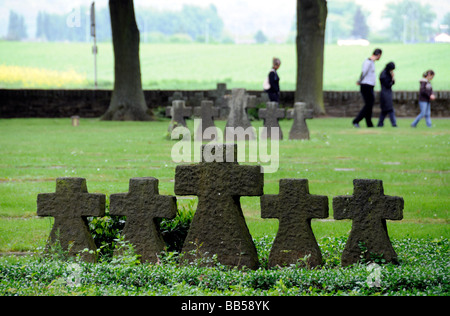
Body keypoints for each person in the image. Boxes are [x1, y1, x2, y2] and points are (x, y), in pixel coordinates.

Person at [352, 48, 382, 128]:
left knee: (370, 105)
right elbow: (364, 72)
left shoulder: (371, 62)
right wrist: (360, 80)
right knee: (368, 105)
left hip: (370, 86)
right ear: (378, 55)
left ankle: (369, 123)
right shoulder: (368, 62)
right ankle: (356, 120)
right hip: (366, 85)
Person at [377, 62, 397, 127]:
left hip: (386, 93)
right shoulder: (384, 75)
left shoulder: (385, 73)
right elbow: (388, 84)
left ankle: (380, 123)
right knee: (390, 109)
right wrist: (392, 78)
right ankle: (394, 124)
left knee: (384, 110)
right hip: (385, 93)